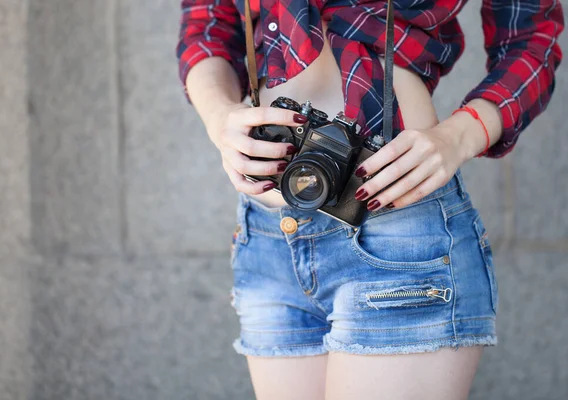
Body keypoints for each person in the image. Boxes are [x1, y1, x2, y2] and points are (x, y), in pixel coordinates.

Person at [176, 0, 564, 398]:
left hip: (398, 232)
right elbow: (207, 26)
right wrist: (221, 118)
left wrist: (460, 135)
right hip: (270, 238)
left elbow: (532, 37)